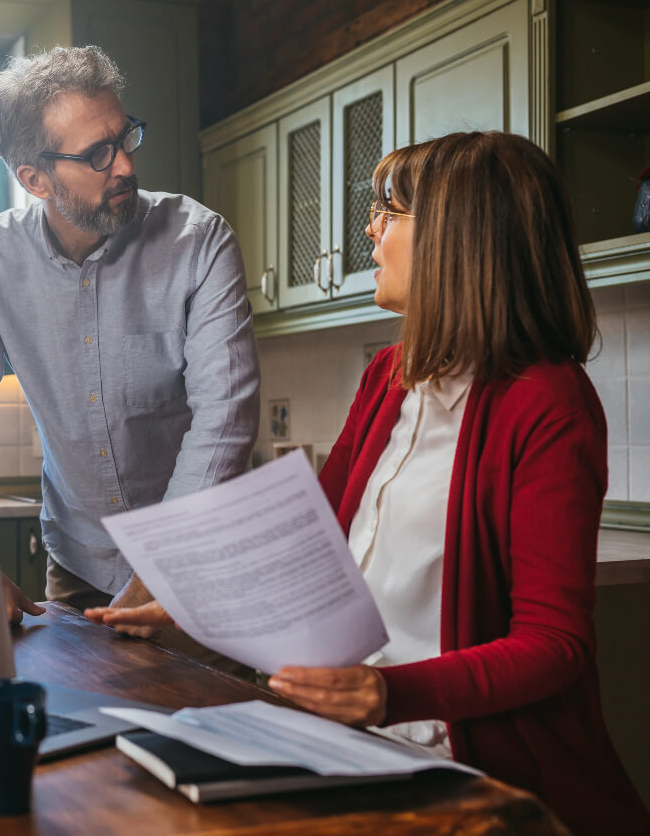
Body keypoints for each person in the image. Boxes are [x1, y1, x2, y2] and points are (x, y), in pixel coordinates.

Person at [88, 131, 650, 834]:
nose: (370, 228)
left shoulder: (546, 400)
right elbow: (308, 548)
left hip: (473, 776)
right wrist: (191, 594)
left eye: (391, 210)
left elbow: (554, 642)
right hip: (350, 746)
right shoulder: (386, 377)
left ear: (458, 236)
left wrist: (384, 693)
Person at [0, 46, 259, 633]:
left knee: (201, 723)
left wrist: (162, 566)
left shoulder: (200, 242)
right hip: (78, 569)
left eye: (124, 139)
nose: (123, 166)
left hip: (200, 568)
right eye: (96, 154)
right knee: (82, 724)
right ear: (35, 179)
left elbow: (226, 416)